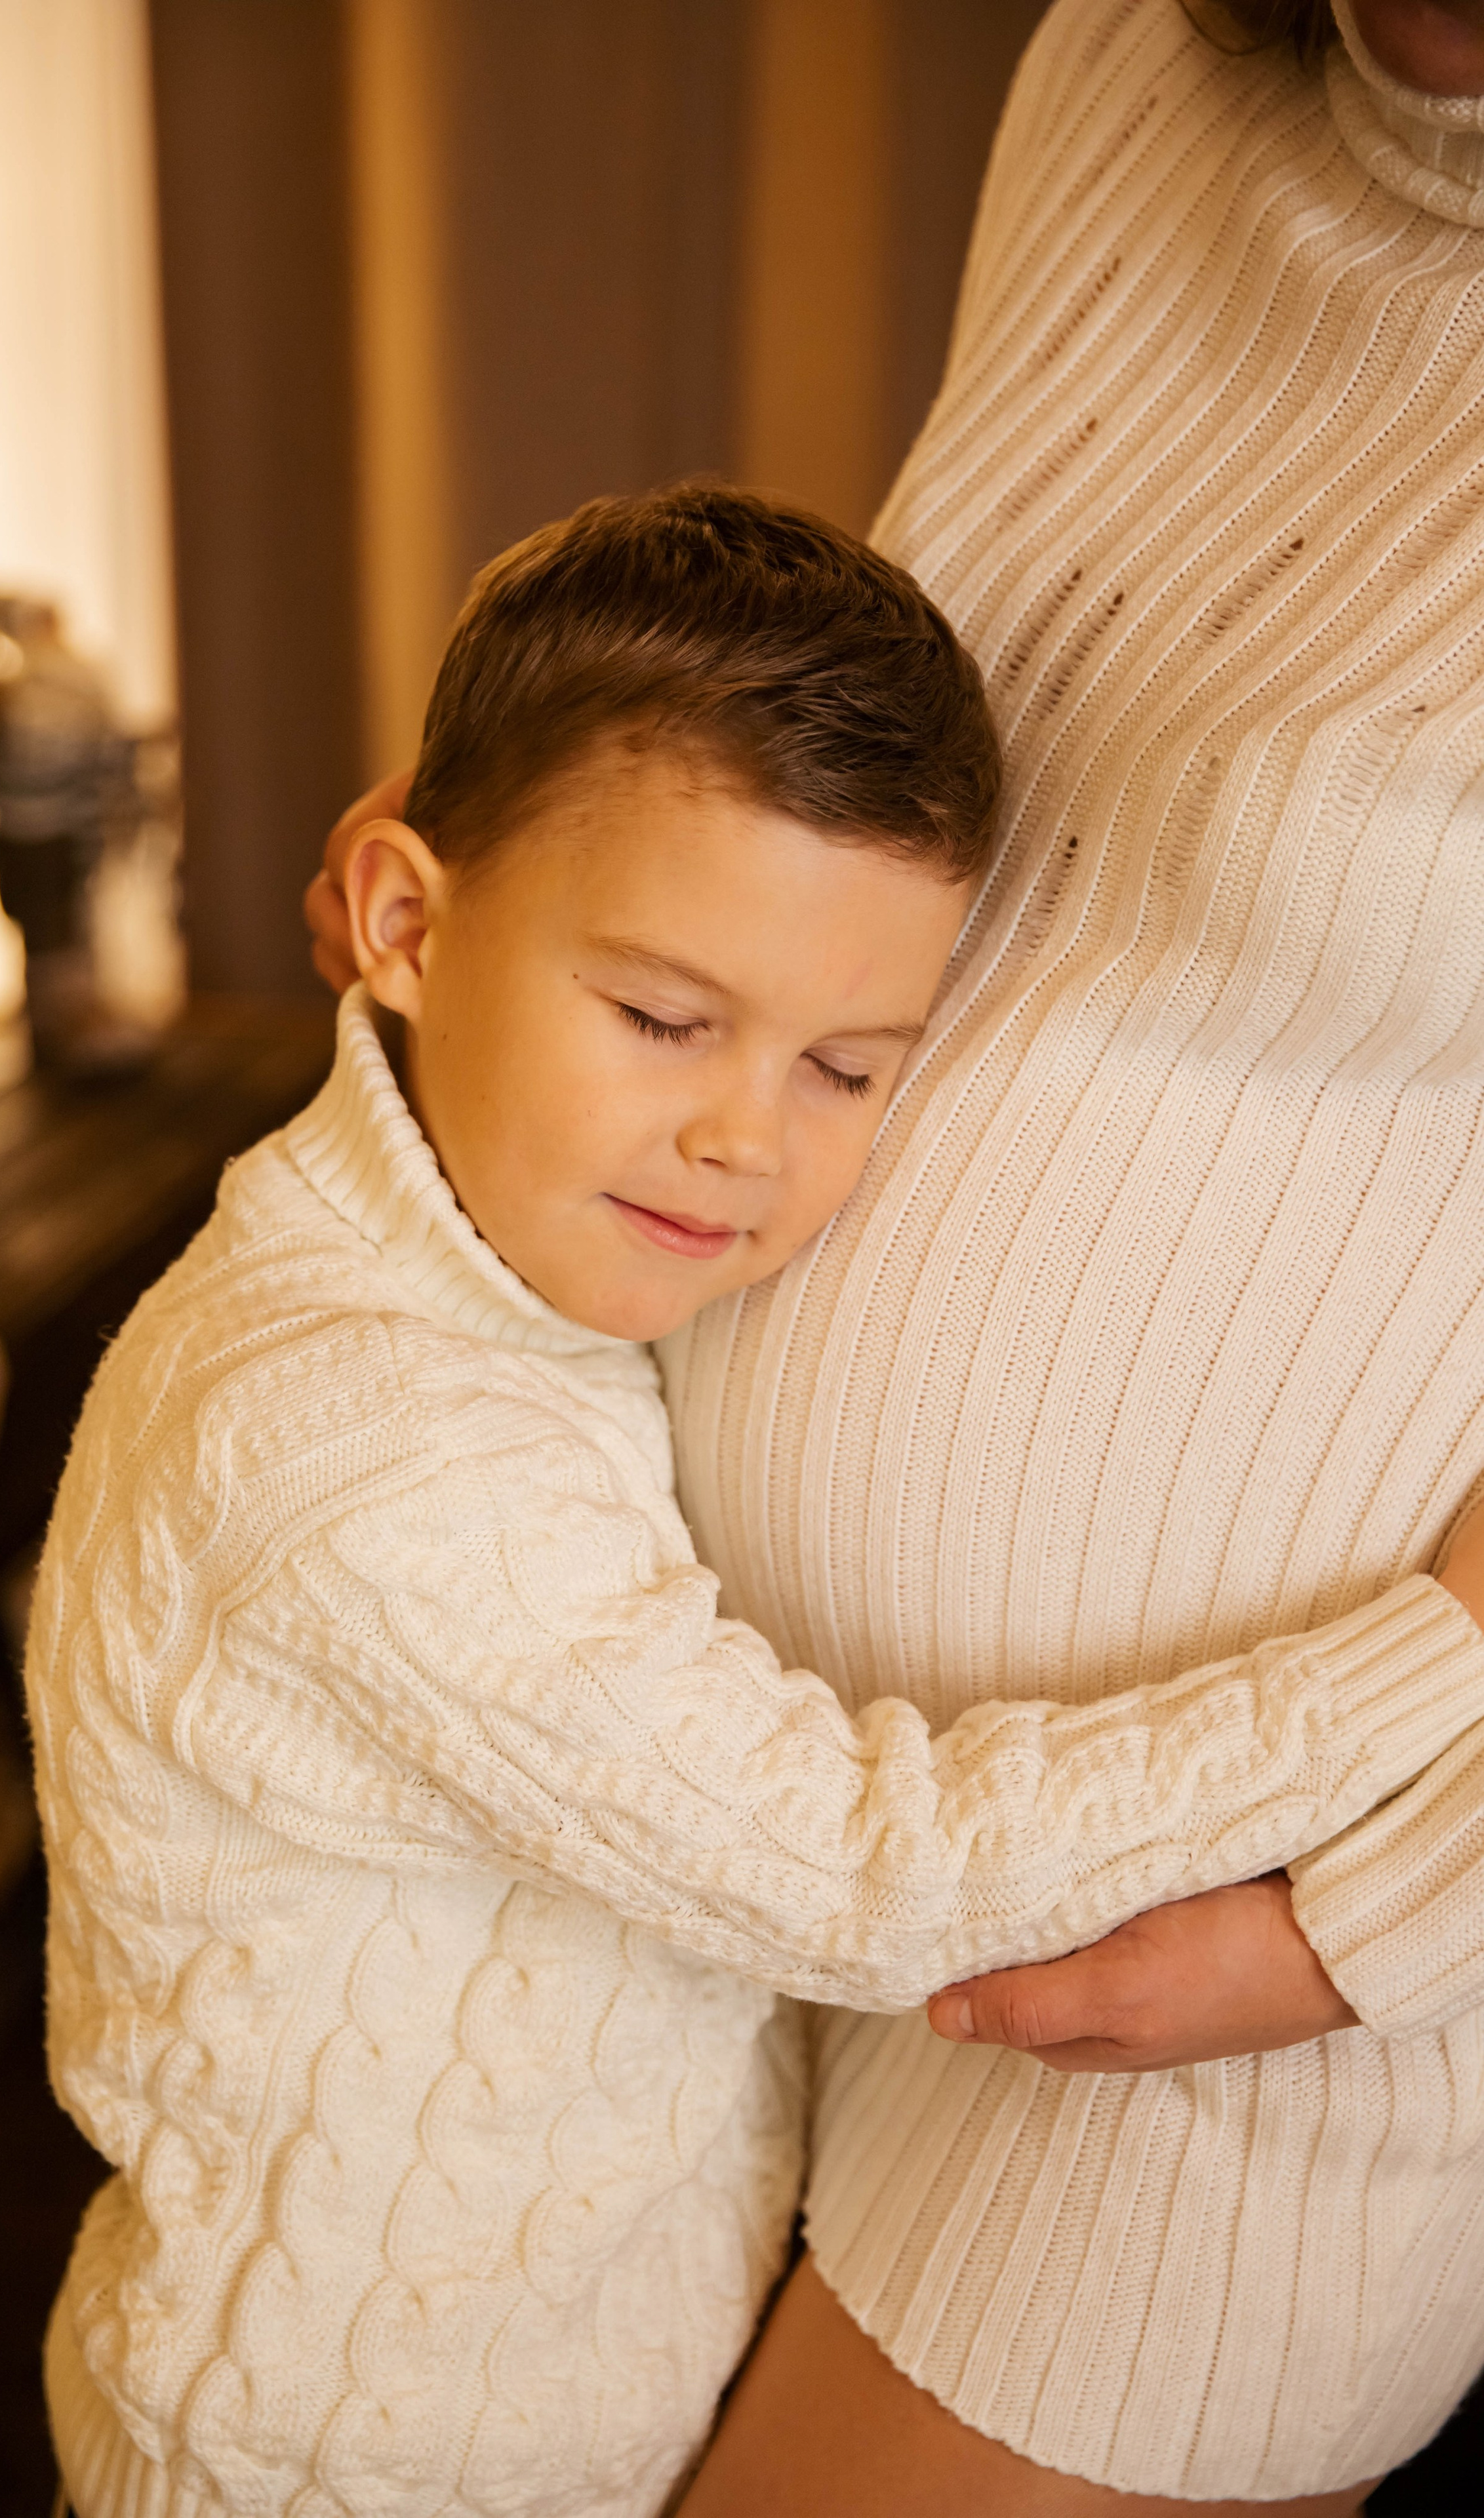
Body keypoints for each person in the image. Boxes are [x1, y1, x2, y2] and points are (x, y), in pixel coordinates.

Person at [306, 4, 1484, 2512]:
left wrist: (1383, 1907)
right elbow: (1002, 708)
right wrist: (569, 841)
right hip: (756, 1850)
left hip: (1212, 1980)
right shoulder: (1133, 62)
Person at [33, 487, 1484, 2518]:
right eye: (662, 1017)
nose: (741, 1139)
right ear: (405, 916)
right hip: (354, 2471)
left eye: (850, 1067)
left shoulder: (466, 1270)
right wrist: (1438, 1648)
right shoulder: (356, 1443)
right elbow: (860, 1870)